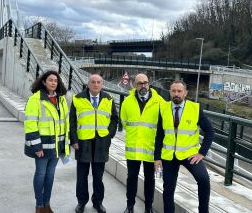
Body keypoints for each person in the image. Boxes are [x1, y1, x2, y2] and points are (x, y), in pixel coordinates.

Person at [154, 80, 215, 213]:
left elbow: (210, 131)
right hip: (169, 155)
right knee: (168, 189)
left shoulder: (195, 108)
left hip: (189, 155)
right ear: (170, 92)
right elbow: (159, 134)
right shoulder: (163, 108)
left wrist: (201, 153)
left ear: (185, 93)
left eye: (179, 91)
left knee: (204, 180)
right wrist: (157, 158)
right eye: (173, 91)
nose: (176, 94)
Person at [70, 74, 119, 213]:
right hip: (83, 142)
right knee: (82, 176)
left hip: (101, 143)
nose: (96, 84)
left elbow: (115, 119)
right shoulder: (78, 98)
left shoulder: (108, 99)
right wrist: (74, 140)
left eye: (98, 82)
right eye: (93, 82)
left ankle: (98, 202)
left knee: (98, 176)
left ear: (102, 84)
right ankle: (81, 202)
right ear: (88, 84)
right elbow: (72, 121)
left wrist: (109, 135)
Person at [24, 70, 70, 213]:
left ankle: (47, 204)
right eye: (50, 80)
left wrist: (65, 147)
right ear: (44, 82)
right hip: (42, 146)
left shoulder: (61, 100)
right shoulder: (35, 99)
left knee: (50, 175)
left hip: (56, 146)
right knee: (41, 174)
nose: (53, 83)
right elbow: (30, 124)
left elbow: (65, 123)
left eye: (55, 81)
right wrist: (37, 146)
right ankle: (39, 205)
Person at [121, 73, 164, 213]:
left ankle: (148, 208)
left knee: (150, 180)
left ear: (149, 83)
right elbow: (125, 122)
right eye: (140, 83)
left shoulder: (160, 102)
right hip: (133, 148)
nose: (143, 85)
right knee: (131, 178)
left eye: (145, 82)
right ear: (135, 84)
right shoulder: (127, 101)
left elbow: (164, 127)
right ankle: (130, 206)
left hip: (150, 149)